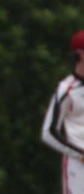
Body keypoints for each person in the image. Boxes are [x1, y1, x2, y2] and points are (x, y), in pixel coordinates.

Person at [42, 30, 84, 193]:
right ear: (80, 54)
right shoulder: (67, 89)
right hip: (78, 166)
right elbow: (49, 132)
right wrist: (80, 154)